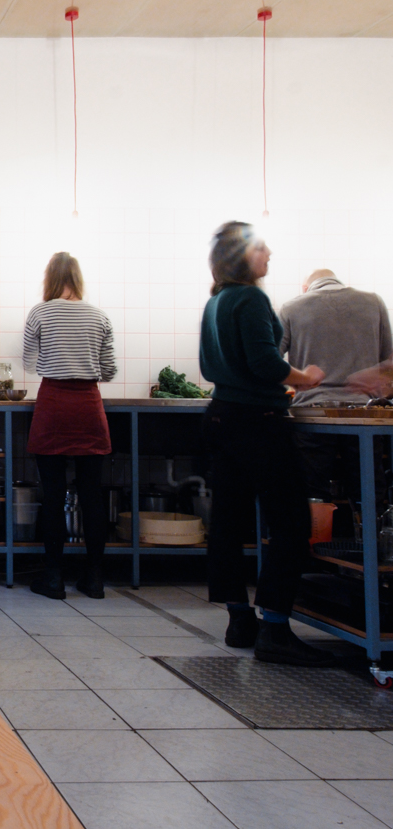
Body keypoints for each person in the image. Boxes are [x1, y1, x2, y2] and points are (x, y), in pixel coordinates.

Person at [199, 222, 332, 666]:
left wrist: (269, 384)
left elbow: (212, 365)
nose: (269, 253)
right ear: (241, 257)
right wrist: (305, 377)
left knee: (228, 524)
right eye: (260, 248)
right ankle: (275, 627)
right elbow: (266, 364)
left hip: (223, 416)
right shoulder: (251, 298)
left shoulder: (216, 300)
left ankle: (240, 620)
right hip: (259, 423)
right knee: (291, 523)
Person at [23, 252, 116, 600]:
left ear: (50, 278)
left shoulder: (40, 313)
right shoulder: (99, 316)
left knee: (53, 494)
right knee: (92, 495)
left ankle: (53, 578)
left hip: (54, 405)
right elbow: (109, 371)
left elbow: (30, 364)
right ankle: (94, 579)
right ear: (77, 278)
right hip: (89, 407)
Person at [278, 269, 392, 501]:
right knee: (368, 487)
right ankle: (369, 533)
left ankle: (316, 534)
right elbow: (388, 361)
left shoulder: (291, 307)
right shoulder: (374, 302)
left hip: (312, 414)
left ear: (306, 287)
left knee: (313, 490)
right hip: (364, 412)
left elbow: (271, 362)